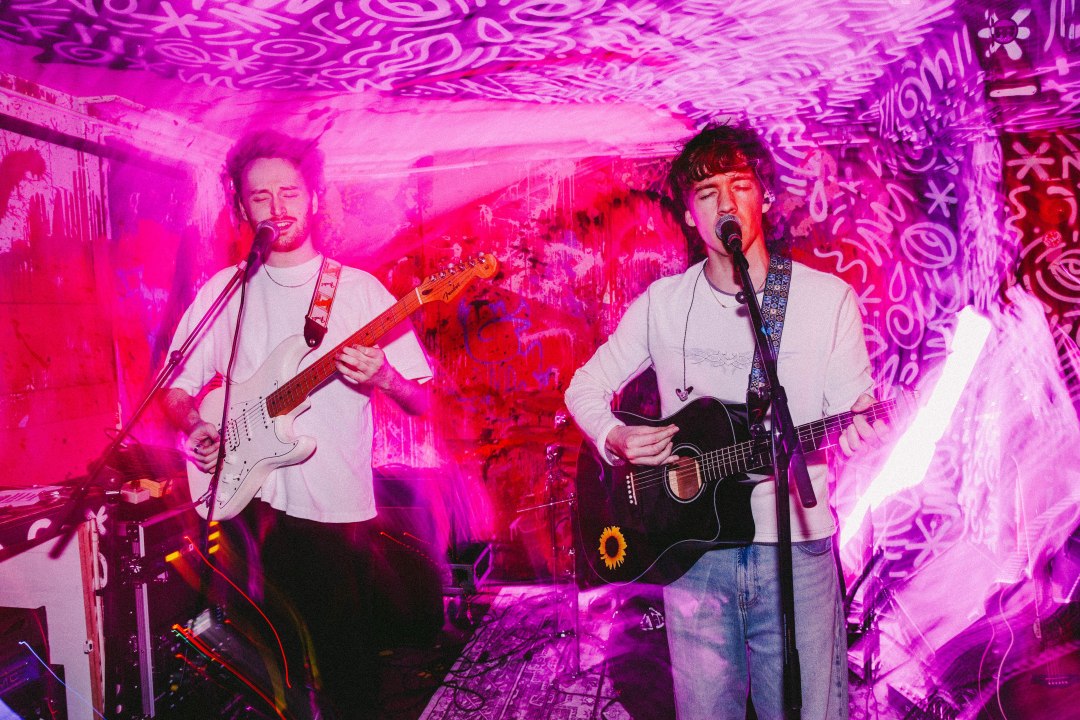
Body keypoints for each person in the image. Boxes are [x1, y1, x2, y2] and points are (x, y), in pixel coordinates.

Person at [564, 122, 886, 720]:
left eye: (739, 185)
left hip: (796, 549)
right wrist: (615, 437)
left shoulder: (827, 300)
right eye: (707, 192)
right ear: (690, 215)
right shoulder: (663, 305)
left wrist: (864, 428)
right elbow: (583, 386)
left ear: (763, 196)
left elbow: (852, 411)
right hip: (694, 551)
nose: (726, 204)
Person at [161, 130, 432, 718]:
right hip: (245, 506)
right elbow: (174, 387)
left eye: (289, 192)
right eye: (260, 197)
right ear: (242, 208)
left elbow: (422, 400)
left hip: (332, 511)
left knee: (347, 672)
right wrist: (195, 425)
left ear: (313, 197)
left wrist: (386, 378)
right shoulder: (225, 292)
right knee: (265, 673)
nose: (277, 208)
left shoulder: (358, 292)